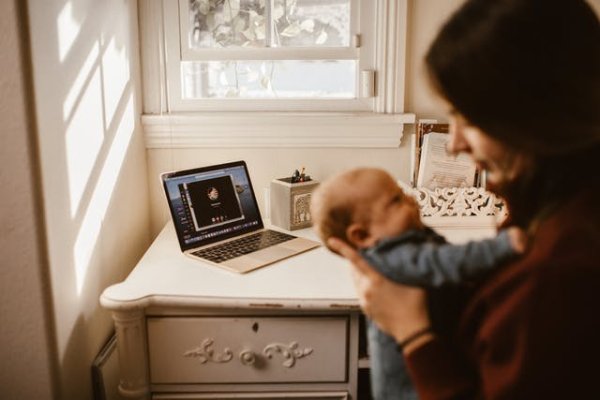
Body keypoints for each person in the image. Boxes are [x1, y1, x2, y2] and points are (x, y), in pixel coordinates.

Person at [328, 0, 600, 398]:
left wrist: (411, 330)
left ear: (534, 117)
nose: (452, 144)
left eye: (467, 120)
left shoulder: (560, 271)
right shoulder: (548, 206)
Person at [310, 167, 526, 400]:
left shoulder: (404, 240)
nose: (411, 198)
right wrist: (503, 246)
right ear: (362, 236)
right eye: (396, 200)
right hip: (411, 388)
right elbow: (445, 262)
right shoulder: (391, 256)